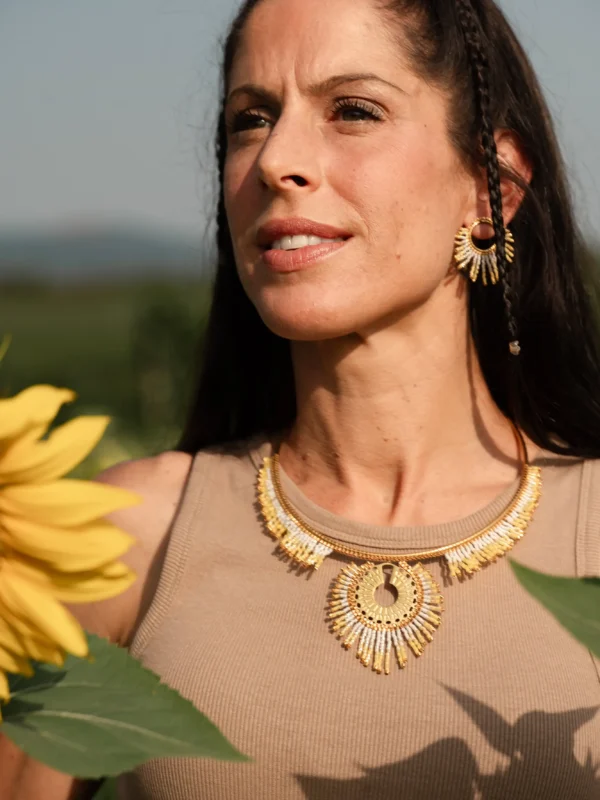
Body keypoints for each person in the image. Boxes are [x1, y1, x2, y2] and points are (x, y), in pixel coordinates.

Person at [3, 0, 600, 796]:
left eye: (353, 110)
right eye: (250, 119)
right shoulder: (109, 543)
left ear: (493, 187)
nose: (276, 158)